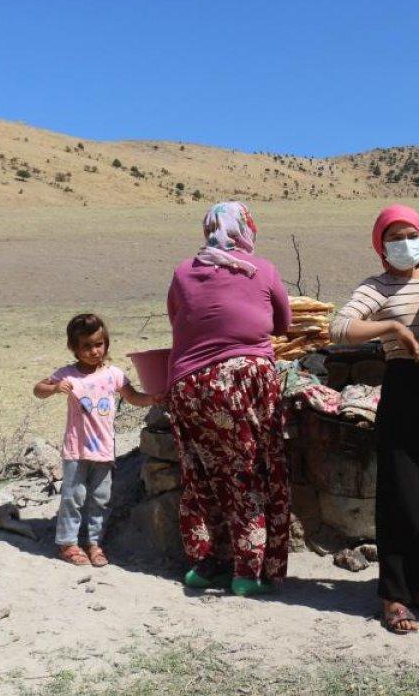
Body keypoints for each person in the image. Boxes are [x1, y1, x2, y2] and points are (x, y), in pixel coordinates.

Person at [329, 204, 419, 635]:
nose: (403, 243)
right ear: (380, 244)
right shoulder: (377, 286)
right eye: (392, 236)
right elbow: (340, 328)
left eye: (409, 234)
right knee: (403, 499)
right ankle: (393, 594)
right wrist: (390, 329)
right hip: (406, 393)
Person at [165, 202, 293, 597]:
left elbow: (177, 320)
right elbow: (283, 324)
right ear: (245, 230)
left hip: (189, 386)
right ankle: (248, 571)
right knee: (251, 470)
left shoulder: (183, 271)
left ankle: (207, 564)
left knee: (202, 474)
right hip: (244, 382)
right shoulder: (263, 269)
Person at [34, 313, 159, 567]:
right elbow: (38, 390)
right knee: (73, 497)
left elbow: (133, 396)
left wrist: (155, 399)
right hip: (76, 449)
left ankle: (94, 543)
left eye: (98, 344)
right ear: (74, 348)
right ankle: (68, 543)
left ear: (106, 343)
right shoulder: (68, 374)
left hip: (104, 449)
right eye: (86, 346)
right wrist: (54, 388)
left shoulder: (114, 374)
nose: (94, 351)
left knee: (100, 499)